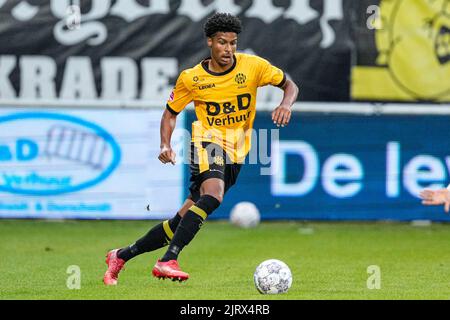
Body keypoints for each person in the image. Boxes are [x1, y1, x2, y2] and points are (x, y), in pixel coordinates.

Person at [103, 12, 299, 285]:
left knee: (178, 222)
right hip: (206, 142)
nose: (229, 49)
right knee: (214, 195)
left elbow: (289, 85)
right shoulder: (192, 78)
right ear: (210, 42)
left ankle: (120, 256)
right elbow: (170, 113)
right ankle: (168, 260)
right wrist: (164, 144)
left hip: (237, 152)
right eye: (222, 43)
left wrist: (285, 104)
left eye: (233, 43)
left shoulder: (253, 66)